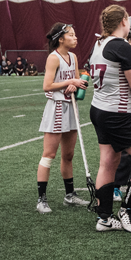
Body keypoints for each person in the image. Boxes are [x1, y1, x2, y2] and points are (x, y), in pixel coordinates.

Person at [88, 5, 131, 233]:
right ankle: (127, 210)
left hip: (99, 108)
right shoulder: (122, 46)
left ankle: (104, 217)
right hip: (117, 113)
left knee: (108, 162)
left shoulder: (99, 43)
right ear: (124, 21)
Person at [36, 23, 89, 213]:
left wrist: (75, 85)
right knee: (49, 155)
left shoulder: (73, 57)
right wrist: (71, 82)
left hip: (71, 107)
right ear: (61, 39)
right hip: (56, 108)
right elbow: (47, 85)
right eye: (71, 35)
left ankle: (70, 195)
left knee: (68, 155)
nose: (75, 38)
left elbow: (75, 81)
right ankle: (41, 199)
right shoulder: (53, 57)